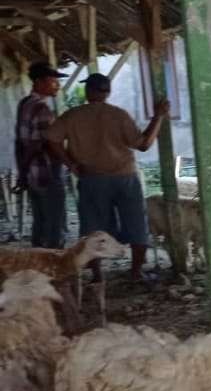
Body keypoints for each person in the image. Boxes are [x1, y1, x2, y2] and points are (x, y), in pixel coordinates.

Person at [45, 73, 169, 281]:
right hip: (124, 176)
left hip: (91, 178)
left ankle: (97, 275)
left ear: (88, 91)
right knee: (136, 223)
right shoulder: (119, 115)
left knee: (92, 229)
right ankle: (136, 271)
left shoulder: (72, 115)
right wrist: (158, 116)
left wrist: (71, 164)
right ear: (108, 92)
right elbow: (144, 144)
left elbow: (51, 139)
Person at [13, 61, 67, 248]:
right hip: (47, 171)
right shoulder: (42, 109)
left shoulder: (24, 104)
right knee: (54, 224)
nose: (57, 85)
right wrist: (66, 159)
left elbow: (20, 142)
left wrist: (23, 172)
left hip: (32, 173)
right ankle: (53, 264)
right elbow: (41, 144)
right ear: (40, 82)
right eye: (54, 81)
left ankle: (37, 264)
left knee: (40, 221)